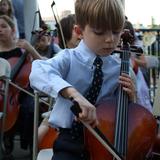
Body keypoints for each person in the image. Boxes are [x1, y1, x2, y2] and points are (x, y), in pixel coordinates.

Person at [29, 0, 136, 159]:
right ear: (79, 31)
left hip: (107, 141)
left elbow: (128, 115)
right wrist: (73, 93)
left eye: (115, 32)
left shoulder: (120, 69)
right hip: (70, 141)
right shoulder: (68, 58)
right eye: (99, 32)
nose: (110, 40)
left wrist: (131, 98)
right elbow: (39, 71)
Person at [0, 15, 44, 157]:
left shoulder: (22, 48)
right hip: (2, 91)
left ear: (12, 29)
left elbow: (43, 64)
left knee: (30, 108)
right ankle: (7, 139)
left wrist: (30, 48)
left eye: (3, 26)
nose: (0, 30)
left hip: (22, 91)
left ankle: (30, 143)